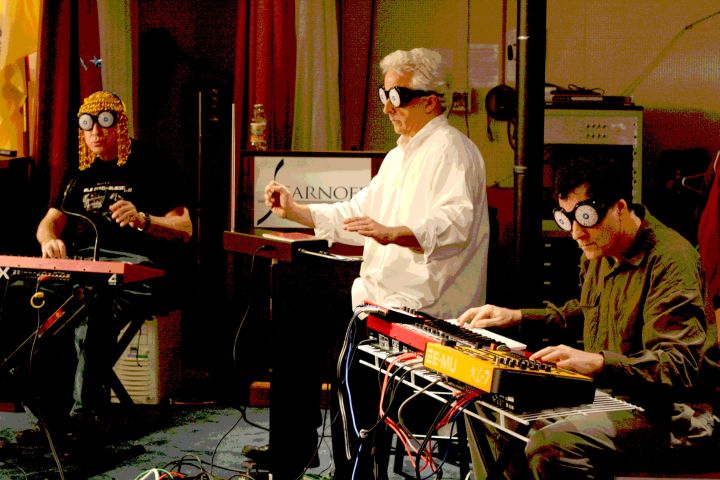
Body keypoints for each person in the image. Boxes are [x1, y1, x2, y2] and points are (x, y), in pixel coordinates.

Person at [244, 47, 490, 479]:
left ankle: (343, 465)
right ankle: (295, 448)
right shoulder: (399, 157)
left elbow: (454, 224)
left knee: (310, 315)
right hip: (383, 299)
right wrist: (297, 211)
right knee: (294, 296)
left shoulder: (452, 151)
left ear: (431, 102)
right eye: (384, 95)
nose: (386, 107)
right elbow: (358, 214)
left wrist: (395, 232)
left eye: (397, 97)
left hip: (424, 308)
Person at [456, 153, 720, 479]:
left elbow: (677, 366)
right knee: (486, 407)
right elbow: (587, 309)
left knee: (552, 445)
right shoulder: (599, 250)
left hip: (676, 412)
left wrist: (597, 362)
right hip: (609, 396)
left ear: (619, 208)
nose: (576, 233)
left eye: (586, 217)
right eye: (567, 219)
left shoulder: (671, 259)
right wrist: (517, 316)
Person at [0, 90, 192, 450]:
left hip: (135, 269)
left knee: (91, 308)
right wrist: (48, 241)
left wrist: (144, 219)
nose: (96, 132)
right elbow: (49, 223)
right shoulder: (79, 172)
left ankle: (84, 418)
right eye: (88, 125)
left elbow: (185, 228)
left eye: (105, 122)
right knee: (31, 307)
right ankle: (49, 417)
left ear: (121, 124)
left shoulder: (152, 162)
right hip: (84, 265)